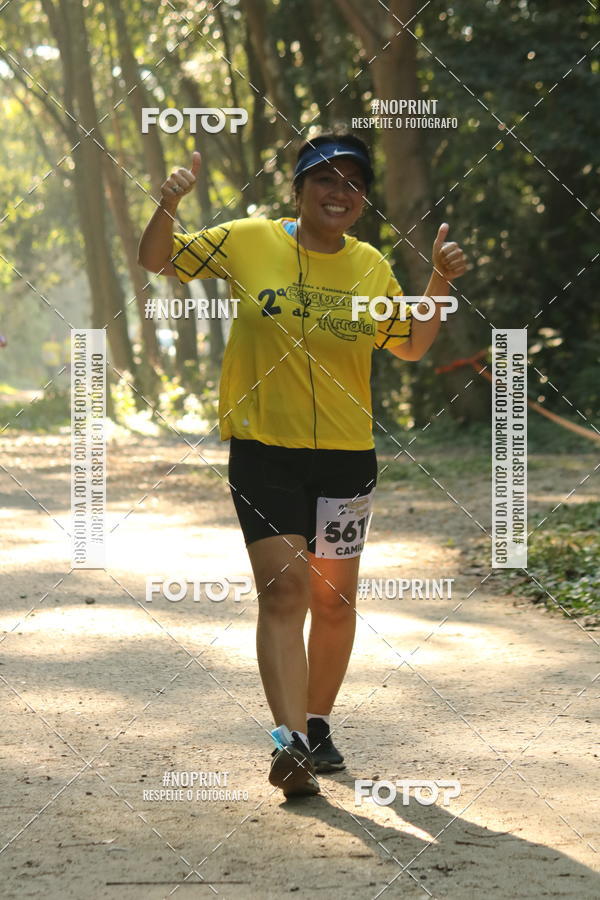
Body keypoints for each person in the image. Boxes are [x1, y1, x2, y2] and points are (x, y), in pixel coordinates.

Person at [138, 131, 467, 799]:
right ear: (299, 188)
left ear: (363, 198)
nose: (338, 193)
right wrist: (169, 202)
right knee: (284, 593)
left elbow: (409, 344)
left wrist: (438, 281)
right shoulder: (248, 240)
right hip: (264, 450)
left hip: (347, 457)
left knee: (334, 600)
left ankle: (316, 726)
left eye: (352, 183)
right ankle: (287, 745)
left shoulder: (369, 265)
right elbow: (157, 259)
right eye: (325, 179)